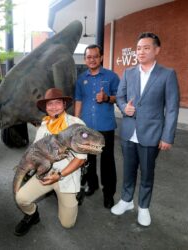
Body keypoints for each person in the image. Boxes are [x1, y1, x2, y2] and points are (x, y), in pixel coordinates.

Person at [111, 32, 179, 226]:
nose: (141, 51)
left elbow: (172, 108)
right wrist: (125, 108)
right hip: (128, 133)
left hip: (152, 134)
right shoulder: (128, 72)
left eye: (146, 48)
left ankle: (143, 207)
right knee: (128, 170)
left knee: (147, 173)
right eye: (139, 48)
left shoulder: (167, 74)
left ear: (157, 50)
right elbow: (120, 97)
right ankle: (126, 201)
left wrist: (167, 137)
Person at [14, 88, 87, 236]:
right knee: (21, 198)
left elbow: (80, 159)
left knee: (68, 224)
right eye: (49, 104)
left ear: (64, 104)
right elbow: (36, 152)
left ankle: (78, 192)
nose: (53, 107)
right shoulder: (44, 125)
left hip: (66, 176)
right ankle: (32, 215)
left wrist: (59, 175)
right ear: (45, 108)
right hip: (44, 174)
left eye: (57, 103)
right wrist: (28, 166)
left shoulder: (76, 124)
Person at [74, 44, 120, 209]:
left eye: (95, 56)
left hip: (105, 126)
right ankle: (91, 185)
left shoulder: (111, 76)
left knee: (107, 161)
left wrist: (107, 98)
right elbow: (78, 100)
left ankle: (108, 194)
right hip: (86, 127)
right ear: (85, 59)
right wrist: (76, 121)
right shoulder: (81, 79)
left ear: (101, 57)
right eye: (88, 57)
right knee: (88, 159)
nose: (92, 59)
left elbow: (119, 98)